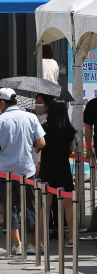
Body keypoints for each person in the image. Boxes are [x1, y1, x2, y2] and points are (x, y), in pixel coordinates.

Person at [0, 88, 46, 255]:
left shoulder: (0, 120)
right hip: (27, 169)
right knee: (30, 206)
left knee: (9, 206)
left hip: (5, 171)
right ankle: (33, 244)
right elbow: (41, 143)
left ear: (2, 103)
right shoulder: (31, 117)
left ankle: (17, 245)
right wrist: (29, 148)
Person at [39, 99, 76, 247]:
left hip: (47, 169)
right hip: (63, 169)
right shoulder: (70, 131)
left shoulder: (43, 128)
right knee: (69, 204)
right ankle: (72, 237)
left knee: (45, 205)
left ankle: (43, 239)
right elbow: (72, 149)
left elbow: (38, 147)